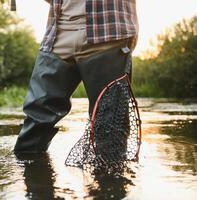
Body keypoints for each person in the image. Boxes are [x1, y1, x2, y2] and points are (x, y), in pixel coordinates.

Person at [13, 0, 139, 153]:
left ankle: (111, 177)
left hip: (108, 31)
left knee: (109, 131)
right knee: (34, 127)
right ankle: (31, 173)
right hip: (57, 34)